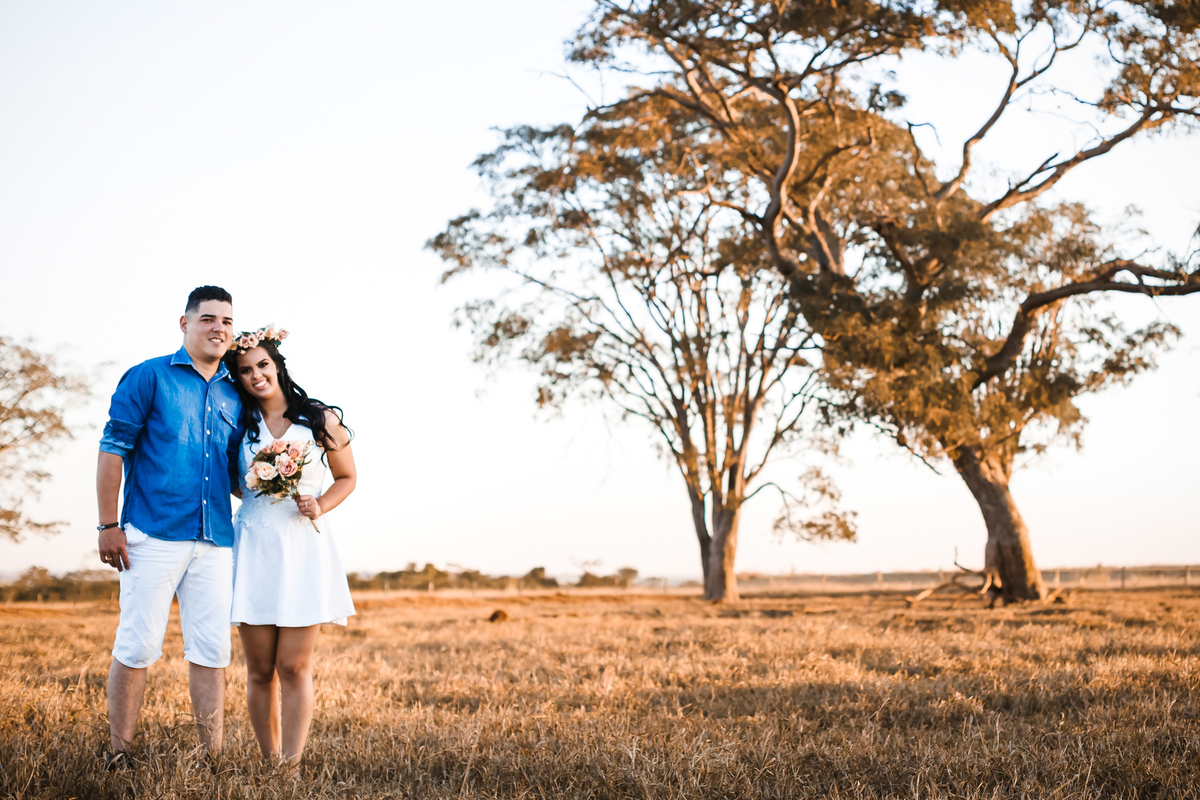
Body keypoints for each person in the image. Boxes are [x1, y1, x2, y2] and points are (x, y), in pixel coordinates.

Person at [96, 286, 243, 769]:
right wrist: (107, 524)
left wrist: (287, 478)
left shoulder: (234, 392)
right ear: (185, 324)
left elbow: (236, 472)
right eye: (207, 319)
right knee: (137, 644)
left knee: (212, 648)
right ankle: (120, 753)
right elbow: (112, 449)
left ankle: (212, 755)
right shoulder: (148, 376)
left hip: (216, 539)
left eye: (225, 320)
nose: (217, 327)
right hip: (151, 534)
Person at [224, 325, 356, 771]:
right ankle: (269, 762)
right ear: (238, 377)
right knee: (260, 669)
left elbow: (348, 477)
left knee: (294, 666)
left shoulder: (317, 419)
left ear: (277, 365)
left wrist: (318, 504)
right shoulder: (236, 423)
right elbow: (232, 483)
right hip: (254, 546)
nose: (256, 375)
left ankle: (291, 768)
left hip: (302, 548)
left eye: (263, 365)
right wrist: (263, 492)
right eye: (245, 370)